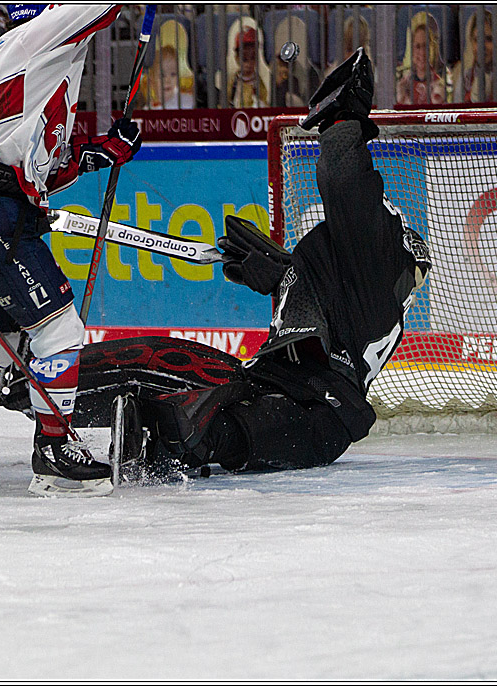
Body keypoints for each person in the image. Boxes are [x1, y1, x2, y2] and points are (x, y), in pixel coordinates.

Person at [111, 49, 432, 480]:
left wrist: (343, 120)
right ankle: (138, 418)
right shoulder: (360, 285)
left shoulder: (375, 269)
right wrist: (283, 277)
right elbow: (328, 299)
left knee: (220, 428)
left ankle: (169, 433)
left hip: (321, 410)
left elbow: (346, 183)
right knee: (185, 373)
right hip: (270, 381)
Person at [0, 3, 141, 498]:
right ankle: (53, 453)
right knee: (59, 330)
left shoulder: (34, 61)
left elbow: (41, 164)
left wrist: (102, 152)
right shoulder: (37, 36)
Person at [451, 11, 497, 103]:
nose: (482, 46)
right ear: (471, 42)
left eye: (489, 39)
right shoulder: (460, 74)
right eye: (477, 40)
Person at [395, 12, 446, 105]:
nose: (422, 53)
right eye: (417, 46)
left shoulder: (444, 80)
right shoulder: (402, 83)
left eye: (426, 46)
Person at [226, 22, 270, 108]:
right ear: (237, 58)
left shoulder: (258, 82)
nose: (249, 64)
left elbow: (264, 101)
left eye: (253, 58)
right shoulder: (234, 81)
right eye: (244, 59)